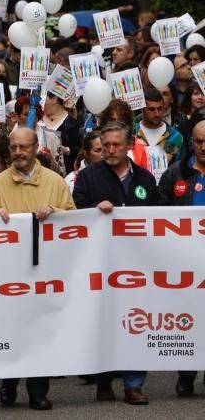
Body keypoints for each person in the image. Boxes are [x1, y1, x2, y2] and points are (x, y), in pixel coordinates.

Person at [0, 127, 76, 411]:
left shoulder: (55, 182)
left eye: (24, 147)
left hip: (45, 271)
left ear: (36, 147)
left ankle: (38, 390)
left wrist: (55, 213)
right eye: (14, 148)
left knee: (40, 331)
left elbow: (73, 220)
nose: (19, 153)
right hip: (9, 272)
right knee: (11, 328)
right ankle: (8, 382)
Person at [70, 122, 154, 405]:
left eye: (116, 145)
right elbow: (75, 210)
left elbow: (158, 216)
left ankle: (133, 384)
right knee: (103, 320)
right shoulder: (88, 177)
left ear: (129, 145)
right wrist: (93, 212)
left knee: (136, 319)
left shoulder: (145, 178)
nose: (110, 150)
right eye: (105, 146)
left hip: (136, 265)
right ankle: (104, 380)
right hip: (100, 264)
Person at [157, 118, 205, 397]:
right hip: (184, 260)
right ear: (191, 143)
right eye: (198, 141)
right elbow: (160, 210)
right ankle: (186, 374)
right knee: (187, 316)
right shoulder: (176, 173)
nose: (202, 147)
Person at [135, 87, 184, 164]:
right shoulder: (132, 133)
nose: (157, 114)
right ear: (142, 109)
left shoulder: (176, 137)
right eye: (151, 109)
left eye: (160, 108)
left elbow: (180, 169)